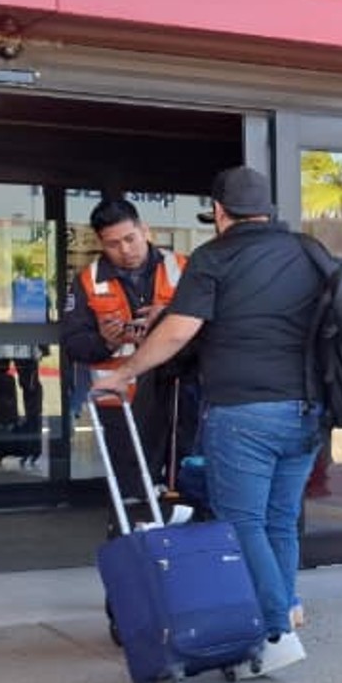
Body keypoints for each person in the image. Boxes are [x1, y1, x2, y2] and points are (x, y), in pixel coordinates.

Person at [90, 167, 321, 673]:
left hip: (243, 412)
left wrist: (124, 372)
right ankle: (286, 607)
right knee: (280, 519)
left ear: (219, 212)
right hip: (306, 412)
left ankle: (276, 632)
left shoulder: (215, 257)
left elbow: (178, 332)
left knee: (243, 523)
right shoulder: (308, 252)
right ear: (267, 210)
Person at [61, 197, 193, 483]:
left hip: (180, 396)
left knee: (187, 482)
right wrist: (106, 342)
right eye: (113, 244)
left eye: (130, 239)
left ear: (145, 230)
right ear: (100, 242)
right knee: (132, 488)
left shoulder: (184, 268)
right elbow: (73, 344)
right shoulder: (87, 281)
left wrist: (166, 316)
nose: (124, 250)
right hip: (122, 402)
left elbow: (210, 326)